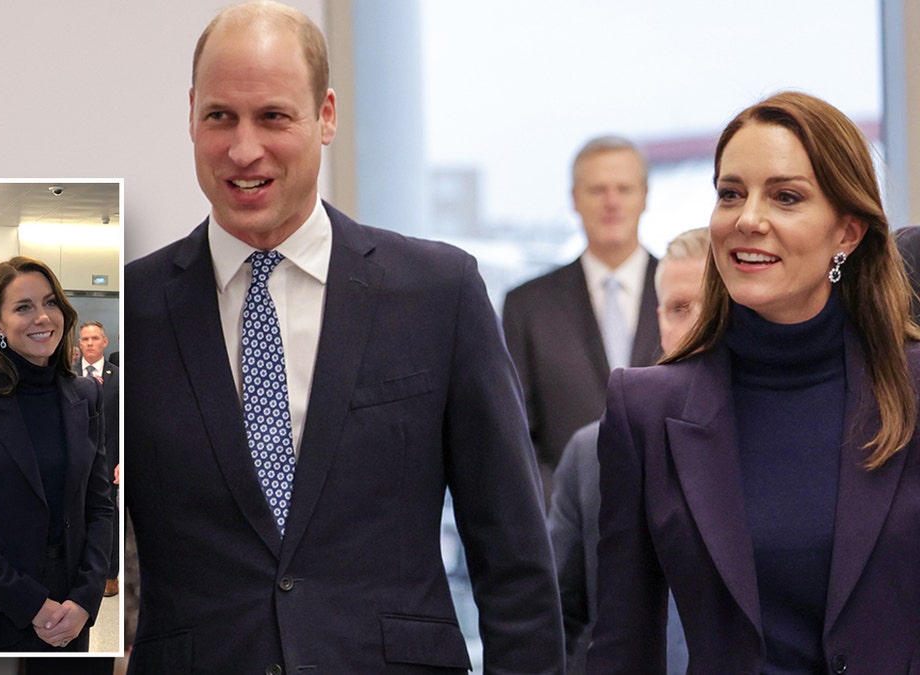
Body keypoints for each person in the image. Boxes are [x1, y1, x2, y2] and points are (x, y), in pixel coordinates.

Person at [124, 2, 561, 672]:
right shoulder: (135, 313)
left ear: (326, 116)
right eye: (220, 117)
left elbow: (515, 559)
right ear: (191, 115)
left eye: (273, 116)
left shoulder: (439, 292)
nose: (244, 148)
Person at [589, 91, 920, 673]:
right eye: (730, 194)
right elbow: (622, 646)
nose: (747, 219)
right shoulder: (645, 409)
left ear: (847, 232)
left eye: (786, 196)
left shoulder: (913, 389)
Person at [549, 227, 707, 674]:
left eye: (711, 308)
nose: (694, 324)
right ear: (657, 318)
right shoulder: (591, 453)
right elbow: (558, 615)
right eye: (679, 309)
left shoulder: (769, 440)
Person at [0, 255, 113, 652]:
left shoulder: (86, 396)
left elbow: (99, 506)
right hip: (0, 604)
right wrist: (30, 604)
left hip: (73, 609)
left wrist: (85, 598)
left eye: (50, 303)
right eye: (23, 307)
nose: (43, 317)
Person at [502, 136, 661, 503]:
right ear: (574, 199)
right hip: (565, 530)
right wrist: (564, 512)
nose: (611, 202)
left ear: (645, 196)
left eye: (623, 188)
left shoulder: (692, 296)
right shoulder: (526, 307)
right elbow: (515, 432)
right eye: (597, 190)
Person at [75, 321, 121, 598]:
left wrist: (122, 460)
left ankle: (110, 573)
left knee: (108, 516)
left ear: (105, 342)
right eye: (84, 339)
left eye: (94, 338)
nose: (89, 343)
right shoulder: (67, 376)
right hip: (78, 459)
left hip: (109, 459)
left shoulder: (119, 376)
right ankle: (80, 568)